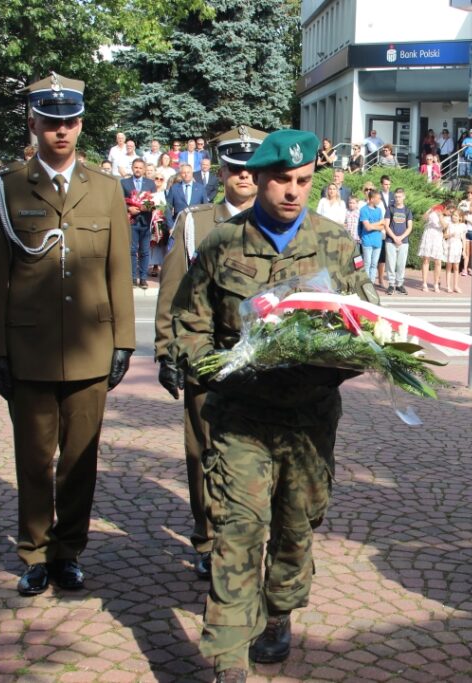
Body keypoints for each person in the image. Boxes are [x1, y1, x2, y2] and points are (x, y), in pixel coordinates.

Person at [168, 130, 378, 682]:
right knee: (237, 530)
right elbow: (189, 322)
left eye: (303, 180)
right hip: (242, 417)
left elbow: (368, 321)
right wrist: (212, 368)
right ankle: (228, 662)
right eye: (281, 180)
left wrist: (344, 353)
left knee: (296, 525)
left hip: (309, 418)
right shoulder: (222, 242)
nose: (291, 191)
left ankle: (280, 609)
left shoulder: (335, 242)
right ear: (257, 178)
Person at [0, 71, 135, 596]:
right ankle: (35, 552)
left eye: (69, 122)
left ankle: (68, 551)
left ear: (81, 125)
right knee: (32, 458)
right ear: (34, 123)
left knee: (80, 459)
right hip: (29, 349)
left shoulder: (107, 189)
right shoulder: (6, 188)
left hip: (91, 347)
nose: (61, 132)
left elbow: (118, 269)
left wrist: (124, 341)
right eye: (51, 122)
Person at [154, 133, 261, 581]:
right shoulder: (196, 222)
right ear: (220, 173)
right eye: (234, 168)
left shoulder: (275, 223)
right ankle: (207, 538)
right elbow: (173, 290)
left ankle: (247, 537)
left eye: (251, 168)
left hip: (260, 364)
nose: (243, 176)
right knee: (203, 452)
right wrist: (166, 349)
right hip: (206, 356)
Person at [122, 158, 155, 287]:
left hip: (146, 221)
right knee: (132, 250)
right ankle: (132, 277)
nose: (138, 170)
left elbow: (156, 201)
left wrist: (146, 207)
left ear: (144, 169)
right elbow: (119, 200)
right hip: (132, 221)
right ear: (132, 168)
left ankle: (143, 278)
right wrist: (128, 208)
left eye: (140, 168)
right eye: (136, 167)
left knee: (145, 251)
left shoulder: (150, 183)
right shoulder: (124, 183)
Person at [384, 187, 413, 295]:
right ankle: (391, 284)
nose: (397, 199)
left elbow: (409, 227)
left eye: (399, 197)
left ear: (404, 197)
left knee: (401, 264)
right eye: (396, 197)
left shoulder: (407, 210)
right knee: (390, 264)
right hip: (390, 241)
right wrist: (394, 237)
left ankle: (400, 284)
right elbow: (386, 225)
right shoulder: (390, 209)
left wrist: (400, 238)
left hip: (403, 242)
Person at [166, 163, 210, 233]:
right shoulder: (174, 188)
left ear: (192, 173)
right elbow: (168, 208)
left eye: (188, 172)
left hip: (196, 224)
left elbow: (205, 207)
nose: (186, 174)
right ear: (180, 174)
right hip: (178, 224)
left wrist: (204, 224)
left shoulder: (200, 188)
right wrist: (170, 226)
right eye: (184, 173)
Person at [418, 204, 447, 292]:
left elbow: (444, 226)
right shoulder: (432, 212)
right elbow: (424, 218)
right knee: (426, 259)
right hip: (429, 235)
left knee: (438, 261)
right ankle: (424, 283)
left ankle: (435, 284)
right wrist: (430, 209)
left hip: (438, 237)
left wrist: (440, 215)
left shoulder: (445, 215)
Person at [358, 190, 385, 283]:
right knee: (367, 263)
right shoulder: (363, 210)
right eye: (378, 198)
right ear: (372, 199)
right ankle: (365, 283)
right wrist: (378, 224)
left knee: (374, 264)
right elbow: (367, 227)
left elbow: (383, 226)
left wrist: (373, 225)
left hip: (377, 241)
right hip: (367, 241)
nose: (380, 200)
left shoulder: (379, 210)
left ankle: (371, 283)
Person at [444, 208, 467, 293]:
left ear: (460, 217)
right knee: (449, 267)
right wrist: (450, 235)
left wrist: (464, 251)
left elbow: (464, 239)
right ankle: (448, 286)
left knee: (456, 267)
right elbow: (445, 236)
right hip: (450, 246)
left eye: (456, 216)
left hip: (457, 246)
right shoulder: (449, 225)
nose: (454, 217)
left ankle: (456, 286)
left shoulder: (463, 226)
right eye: (453, 215)